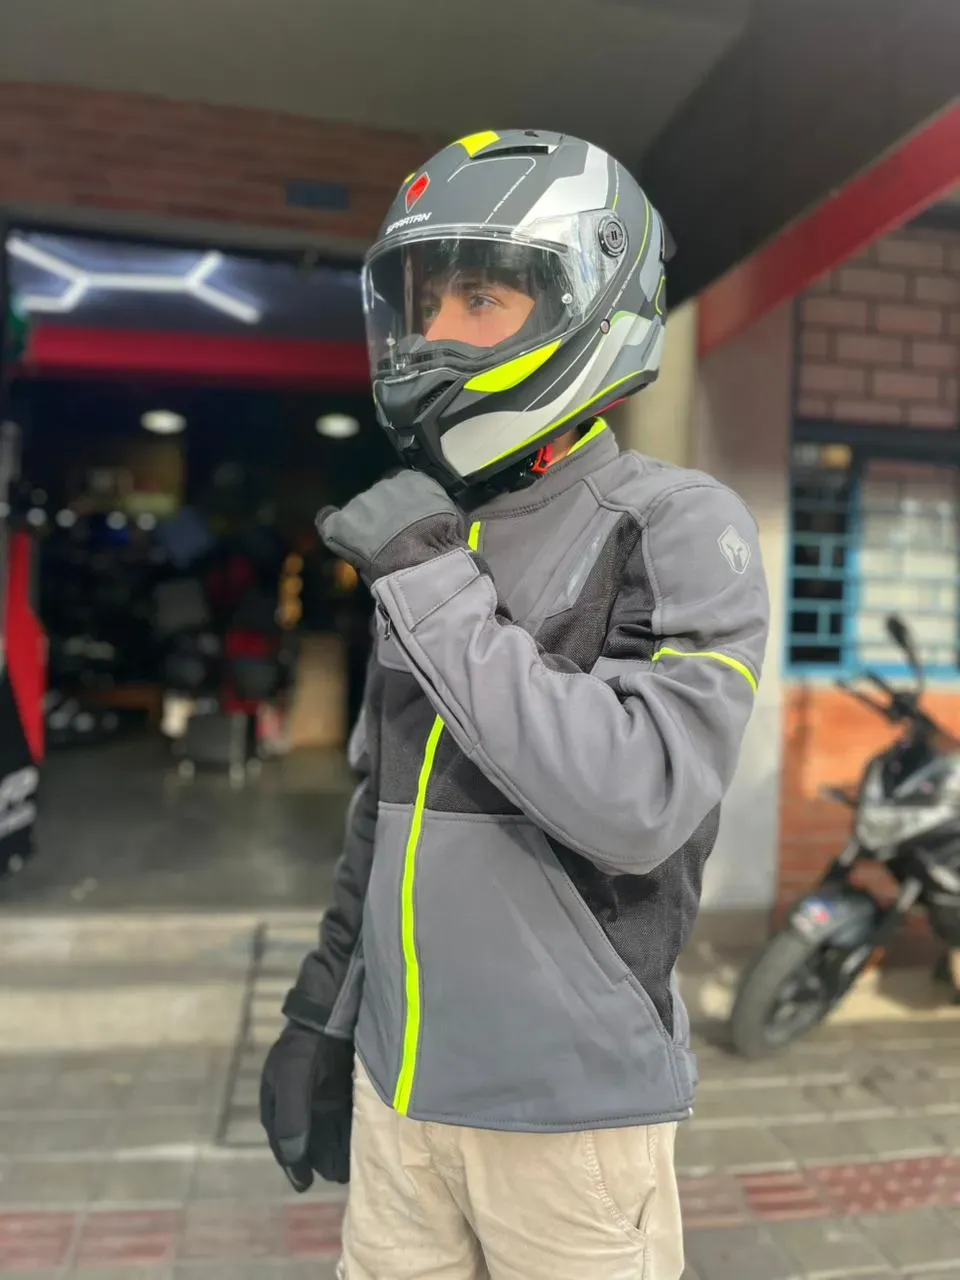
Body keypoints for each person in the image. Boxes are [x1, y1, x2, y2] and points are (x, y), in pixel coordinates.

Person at [261, 129, 770, 1279]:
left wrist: (430, 584)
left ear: (591, 297)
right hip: (399, 1095)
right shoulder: (435, 537)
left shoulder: (674, 521)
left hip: (568, 1119)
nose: (434, 331)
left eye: (481, 297)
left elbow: (639, 799)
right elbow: (381, 816)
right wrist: (321, 1012)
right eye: (423, 302)